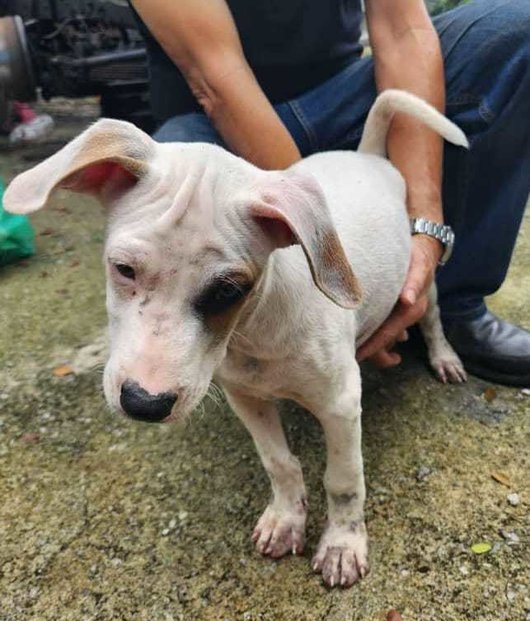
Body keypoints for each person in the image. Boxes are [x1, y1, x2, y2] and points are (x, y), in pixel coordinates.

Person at [129, 0, 530, 387]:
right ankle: (227, 325)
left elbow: (402, 29)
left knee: (516, 28)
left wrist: (423, 229)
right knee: (171, 195)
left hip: (342, 99)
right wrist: (341, 276)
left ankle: (452, 301)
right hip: (214, 129)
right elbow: (216, 76)